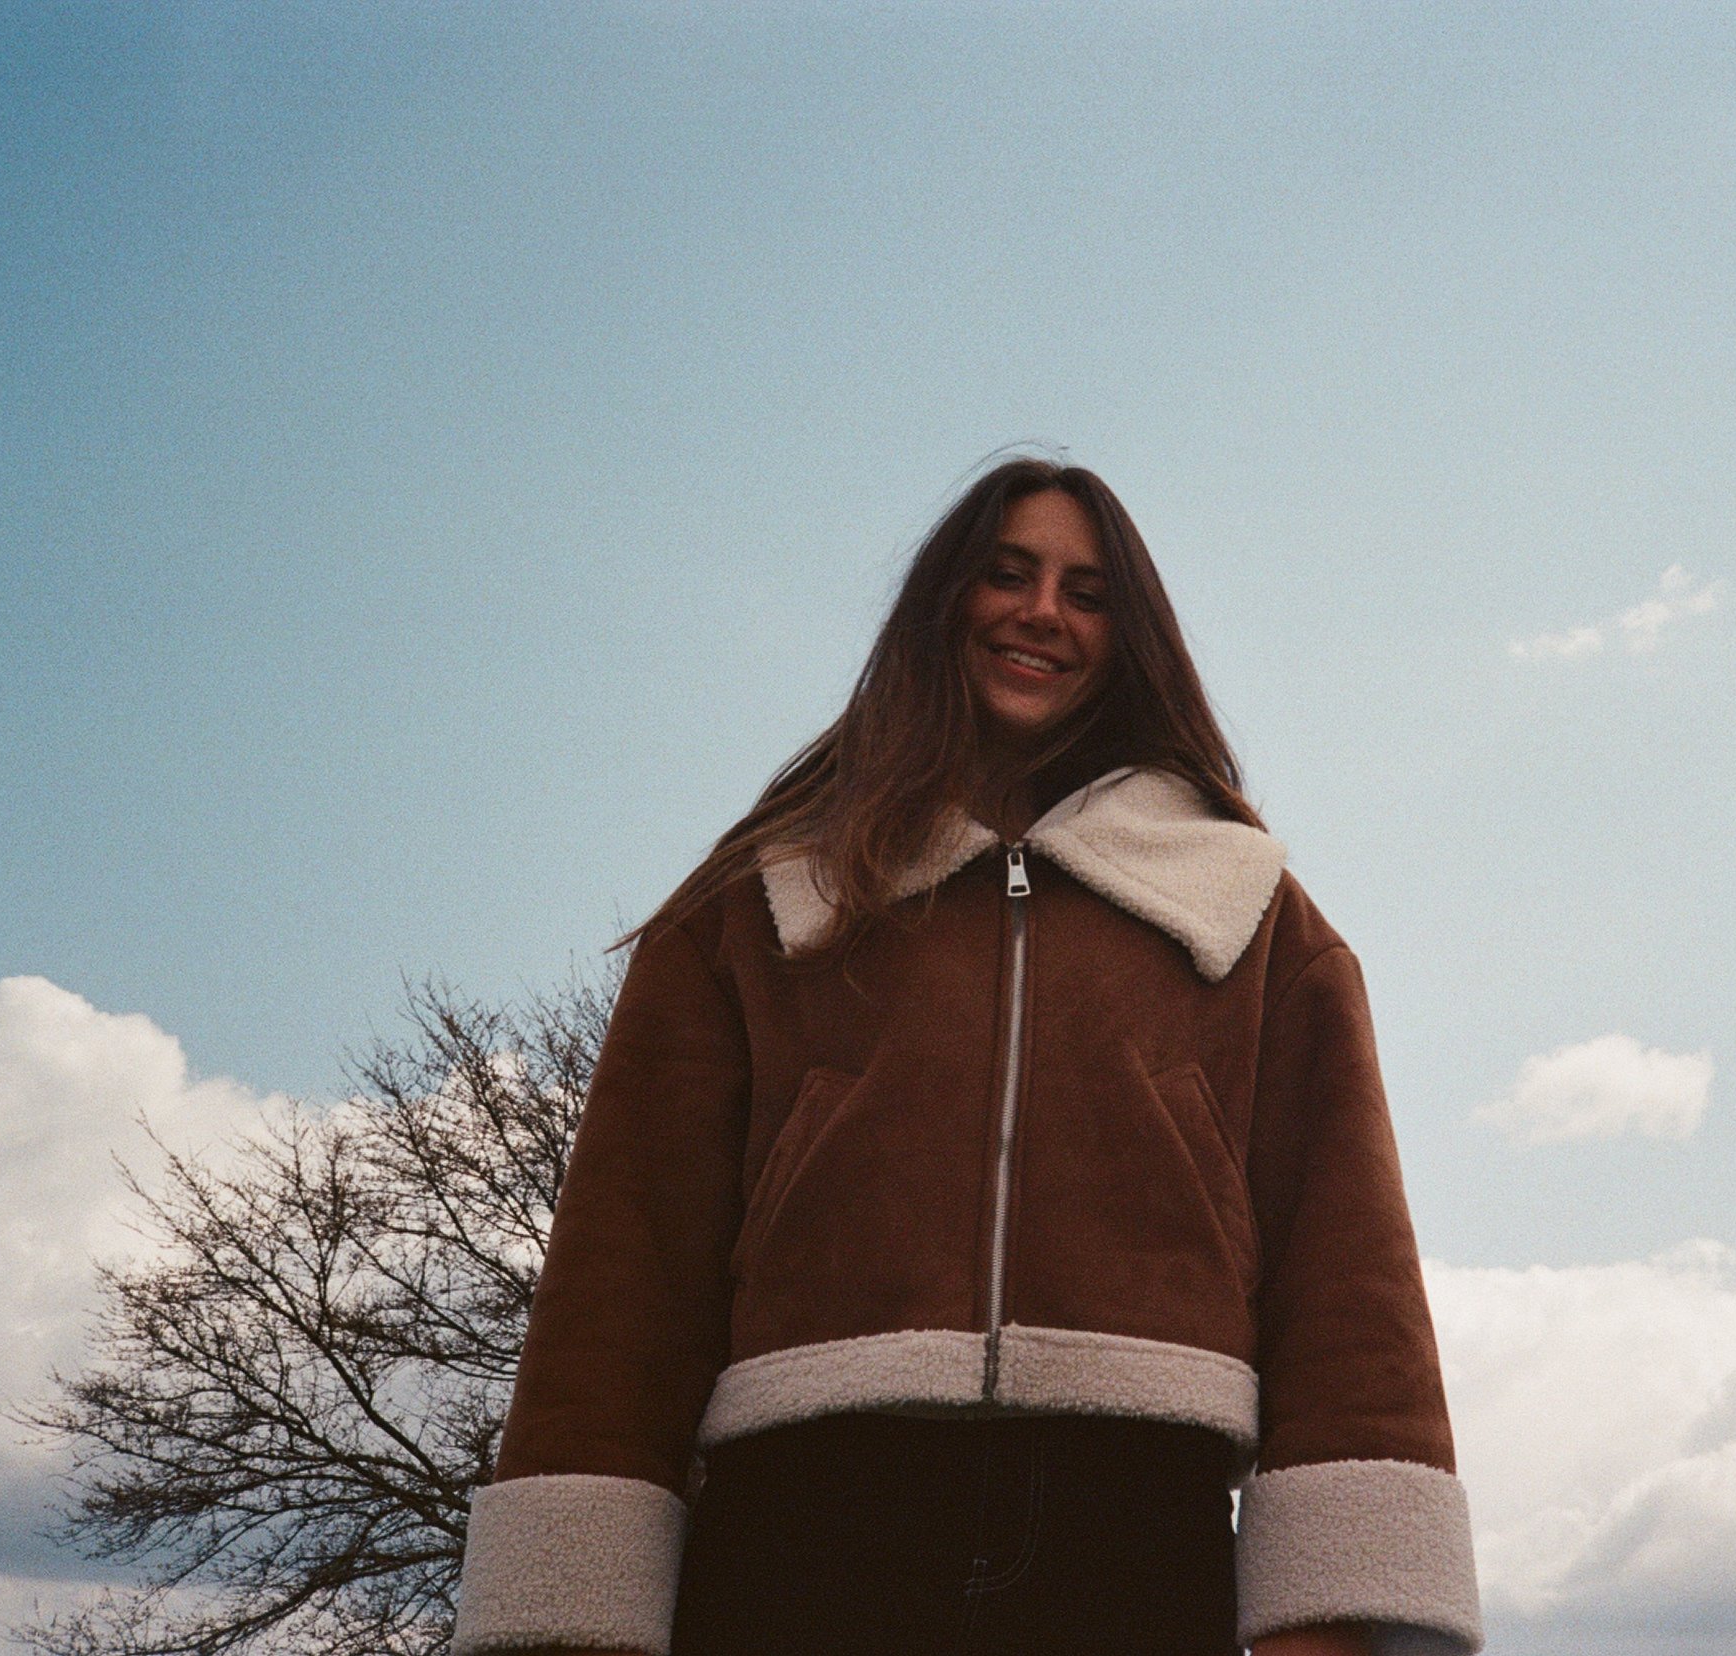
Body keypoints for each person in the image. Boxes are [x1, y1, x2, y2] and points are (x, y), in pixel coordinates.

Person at [450, 457, 1482, 1656]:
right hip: (803, 1523)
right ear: (943, 603)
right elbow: (625, 1271)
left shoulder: (1252, 917)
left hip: (1132, 1532)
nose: (1042, 611)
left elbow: (1348, 1274)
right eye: (1007, 574)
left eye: (1087, 593)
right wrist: (572, 1612)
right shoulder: (759, 901)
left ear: (1131, 638)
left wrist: (1336, 1614)